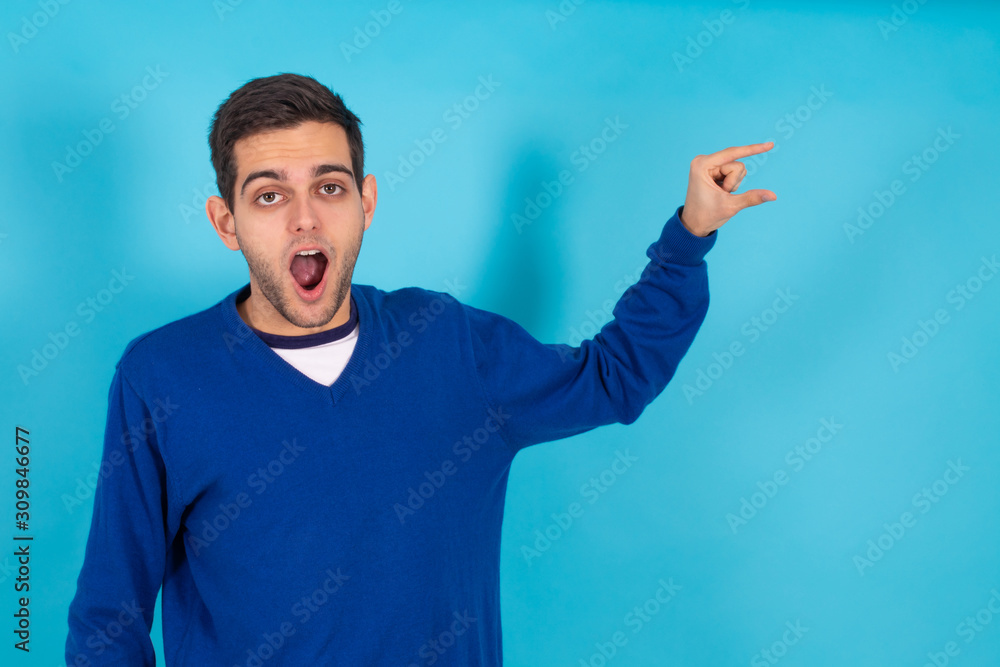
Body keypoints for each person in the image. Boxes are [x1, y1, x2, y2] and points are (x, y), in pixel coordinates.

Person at [64, 72, 776, 665]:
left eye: (329, 187)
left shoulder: (447, 344)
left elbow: (614, 375)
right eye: (270, 195)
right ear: (228, 222)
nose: (304, 219)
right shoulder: (162, 376)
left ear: (366, 202)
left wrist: (690, 235)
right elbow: (107, 619)